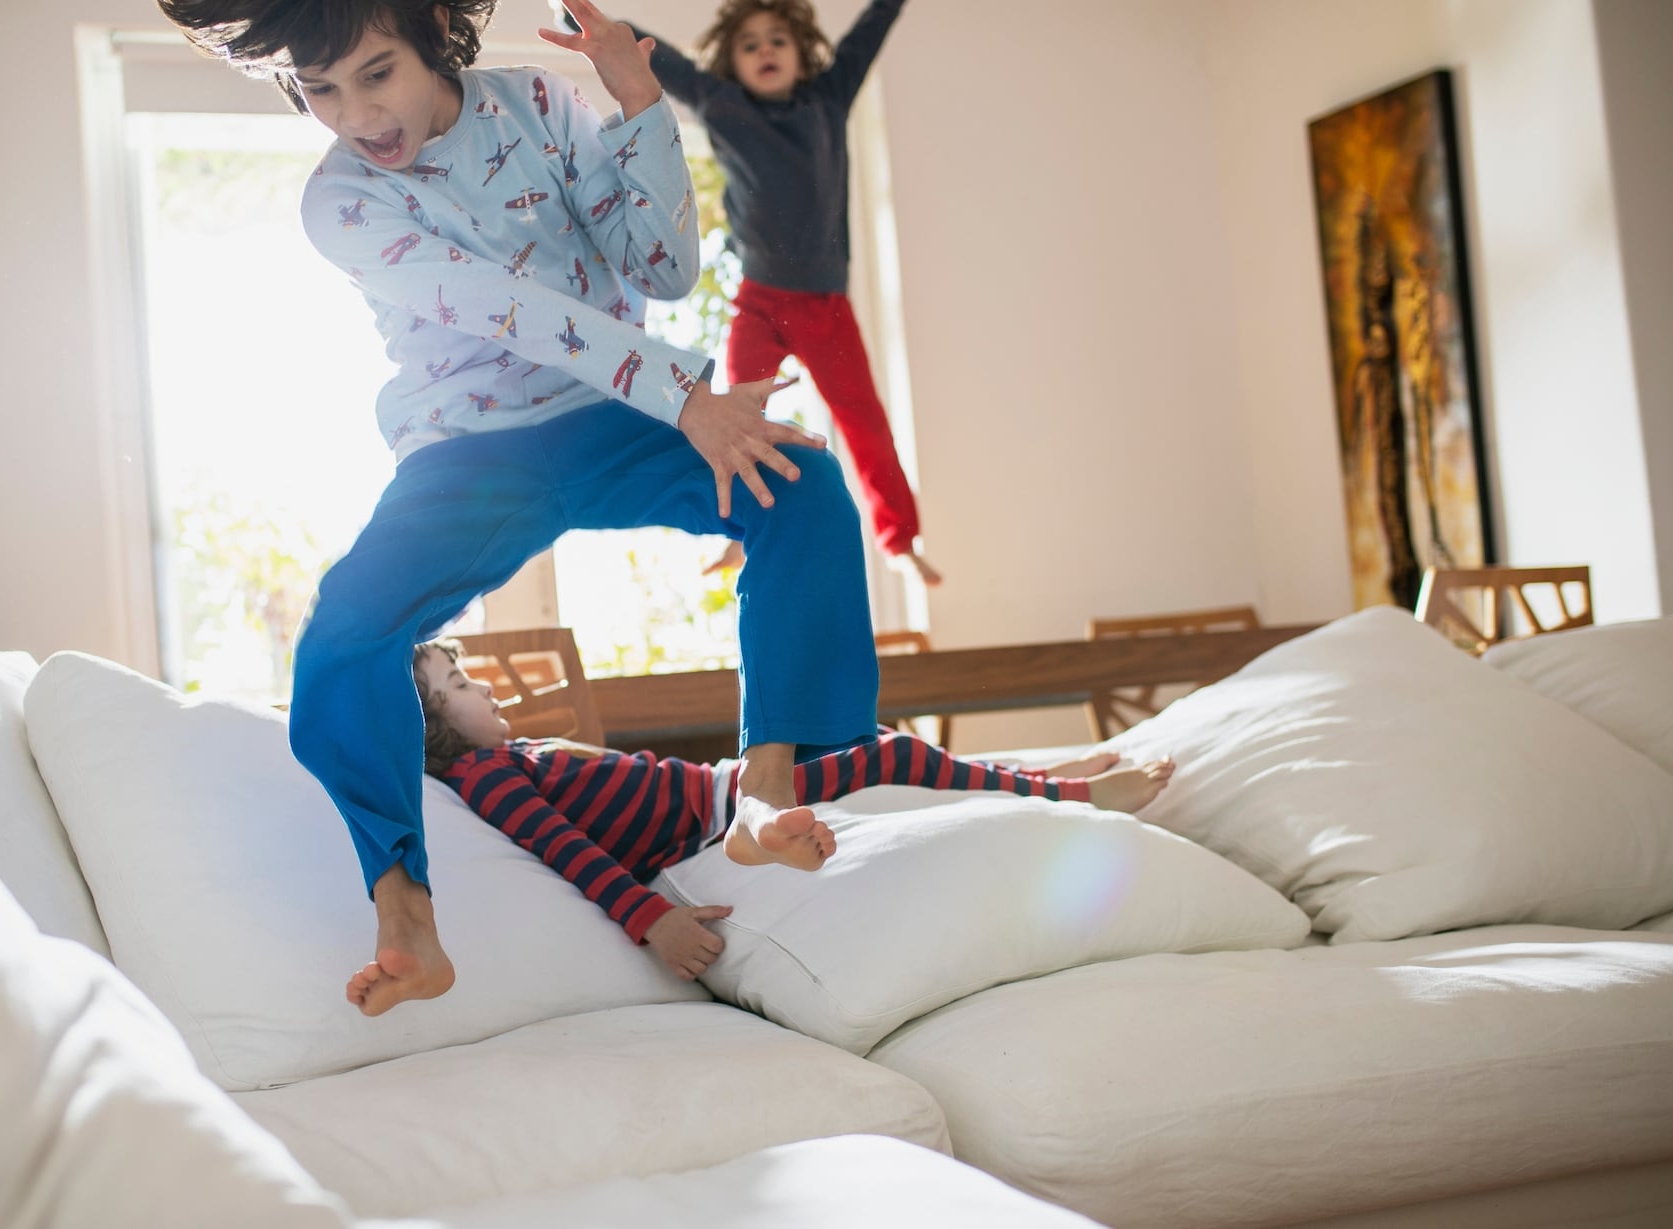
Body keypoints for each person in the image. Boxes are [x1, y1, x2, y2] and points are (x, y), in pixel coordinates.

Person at [157, 0, 882, 1018]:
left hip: (612, 414)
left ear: (431, 36)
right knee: (342, 637)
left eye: (375, 73)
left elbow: (663, 268)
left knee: (798, 487)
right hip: (469, 451)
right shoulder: (341, 203)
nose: (354, 114)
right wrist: (687, 398)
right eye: (320, 90)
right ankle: (405, 908)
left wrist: (640, 105)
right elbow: (511, 311)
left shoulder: (540, 102)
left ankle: (765, 786)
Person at [415, 640, 1176, 981]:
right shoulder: (484, 776)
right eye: (461, 686)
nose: (486, 688)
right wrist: (652, 920)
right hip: (721, 810)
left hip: (722, 785)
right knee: (890, 754)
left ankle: (1035, 773)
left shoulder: (514, 754)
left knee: (868, 735)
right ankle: (1072, 794)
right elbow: (565, 848)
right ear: (433, 727)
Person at [603, 0, 940, 587]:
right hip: (759, 302)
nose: (765, 50)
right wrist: (582, 19)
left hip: (825, 306)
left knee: (865, 421)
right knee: (739, 417)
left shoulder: (828, 98)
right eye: (750, 43)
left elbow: (866, 36)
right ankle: (739, 533)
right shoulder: (722, 103)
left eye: (778, 41)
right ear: (732, 61)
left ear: (803, 55)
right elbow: (659, 58)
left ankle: (900, 540)